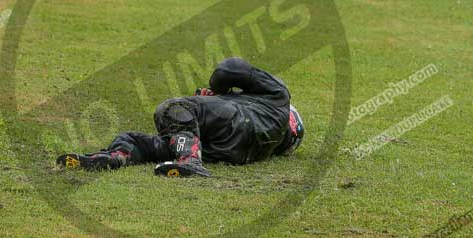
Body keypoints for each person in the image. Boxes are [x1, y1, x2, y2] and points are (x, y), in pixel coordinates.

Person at [56, 57, 305, 177]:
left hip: (229, 125)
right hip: (224, 150)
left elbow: (229, 68)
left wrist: (217, 91)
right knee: (138, 139)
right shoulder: (264, 144)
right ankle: (116, 156)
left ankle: (190, 162)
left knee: (173, 108)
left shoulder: (278, 97)